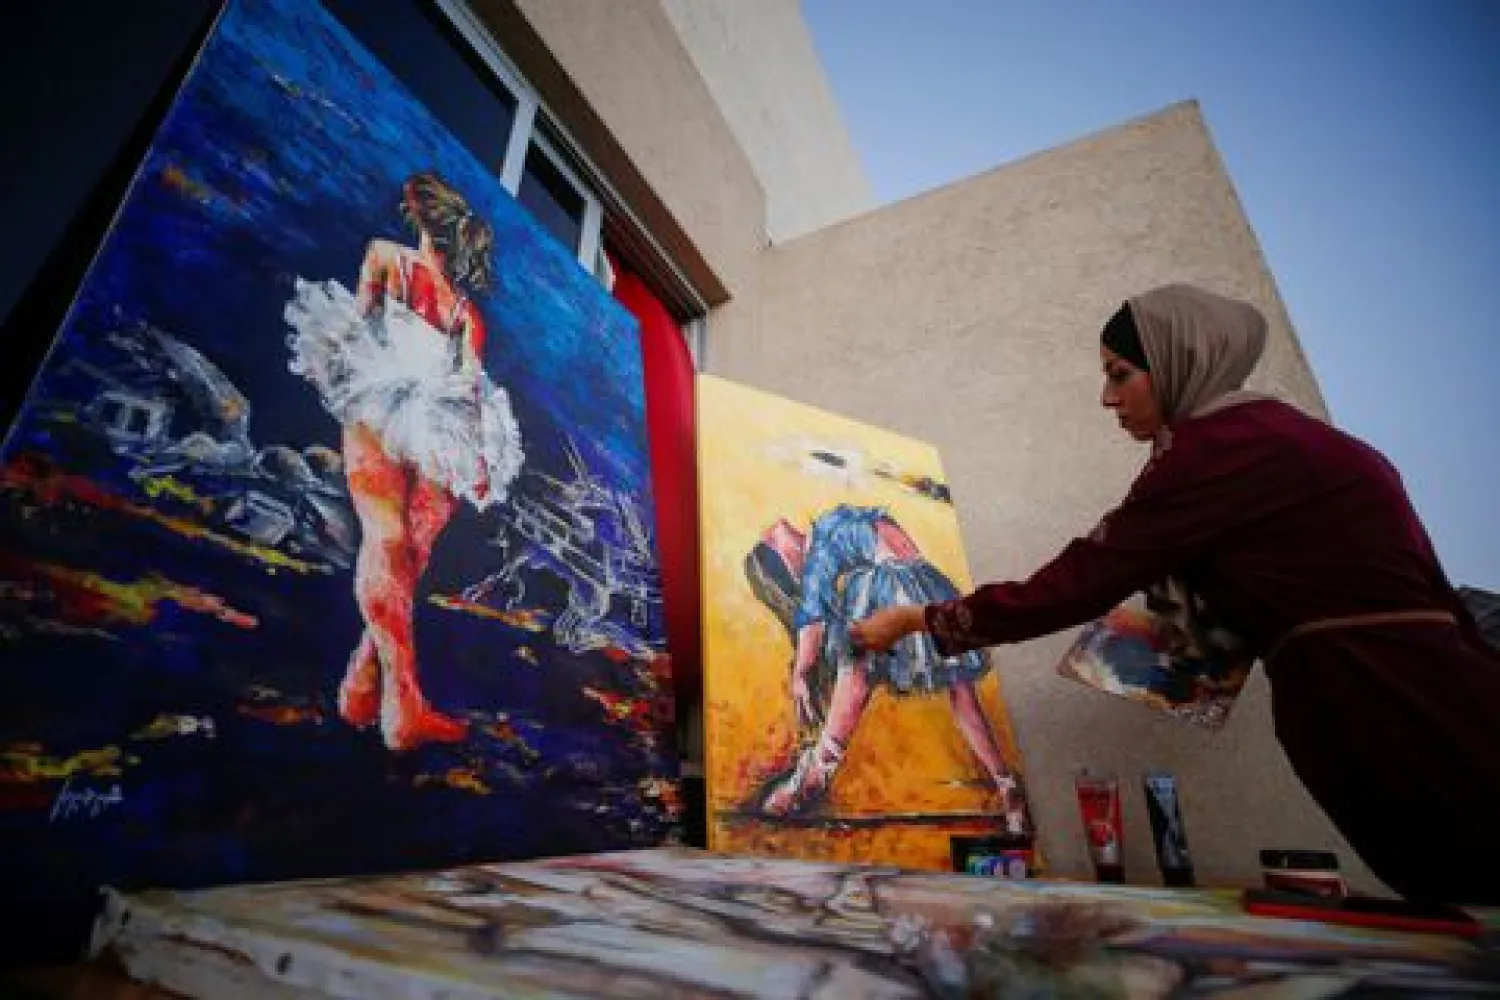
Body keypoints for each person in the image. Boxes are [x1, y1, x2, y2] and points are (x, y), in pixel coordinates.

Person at [851, 283, 1500, 904]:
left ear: (1177, 362)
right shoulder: (1316, 445)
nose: (1107, 397)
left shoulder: (1216, 455)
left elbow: (1076, 581)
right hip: (1445, 690)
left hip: (1385, 705)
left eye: (1120, 373)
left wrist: (919, 621)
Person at [286, 171, 524, 752]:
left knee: (390, 544)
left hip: (381, 399)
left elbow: (359, 327)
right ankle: (394, 699)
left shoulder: (387, 259)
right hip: (438, 424)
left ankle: (370, 682)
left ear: (419, 219)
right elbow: (466, 383)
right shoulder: (467, 313)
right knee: (409, 551)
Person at [746, 505, 1029, 832]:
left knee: (856, 668)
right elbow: (812, 612)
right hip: (928, 584)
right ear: (786, 562)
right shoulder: (824, 542)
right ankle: (1006, 782)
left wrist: (800, 673)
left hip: (896, 580)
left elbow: (812, 620)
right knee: (960, 691)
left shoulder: (823, 538)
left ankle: (817, 771)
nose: (775, 530)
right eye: (773, 541)